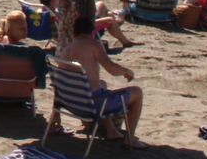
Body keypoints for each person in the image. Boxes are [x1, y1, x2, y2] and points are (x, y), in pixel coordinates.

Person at [56, 14, 146, 148]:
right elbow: (112, 69)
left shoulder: (65, 49)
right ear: (92, 32)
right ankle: (130, 139)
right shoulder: (93, 45)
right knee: (137, 92)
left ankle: (111, 130)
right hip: (91, 106)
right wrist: (127, 71)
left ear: (75, 32)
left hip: (70, 103)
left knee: (101, 84)